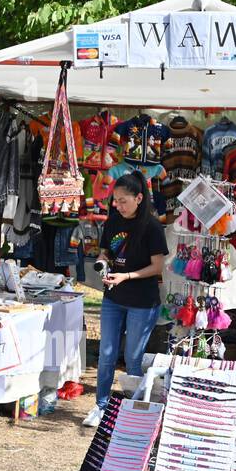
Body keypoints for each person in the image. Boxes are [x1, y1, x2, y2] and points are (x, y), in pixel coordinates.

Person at [83, 171, 169, 428]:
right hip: (113, 298)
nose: (117, 205)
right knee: (106, 354)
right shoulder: (112, 221)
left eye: (122, 200)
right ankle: (101, 406)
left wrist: (126, 276)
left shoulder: (152, 227)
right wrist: (102, 261)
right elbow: (106, 250)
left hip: (142, 301)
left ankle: (132, 410)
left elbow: (157, 267)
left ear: (139, 198)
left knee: (133, 357)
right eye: (115, 200)